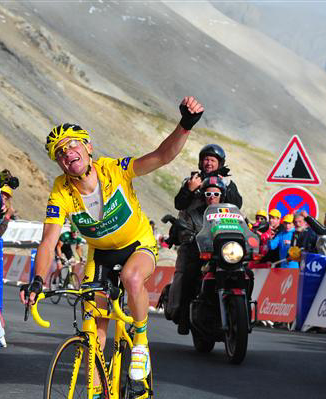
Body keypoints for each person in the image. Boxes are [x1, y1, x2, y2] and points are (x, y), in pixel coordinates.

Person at [20, 96, 204, 386]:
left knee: (132, 279)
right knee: (93, 332)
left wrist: (185, 125)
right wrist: (37, 280)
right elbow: (48, 240)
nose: (67, 153)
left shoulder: (115, 169)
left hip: (138, 244)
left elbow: (162, 156)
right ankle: (95, 389)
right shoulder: (61, 191)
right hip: (101, 255)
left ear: (88, 147)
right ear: (59, 163)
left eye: (72, 145)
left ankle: (141, 341)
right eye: (60, 153)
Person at [165, 176, 227, 333]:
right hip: (202, 256)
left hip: (225, 256)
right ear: (203, 196)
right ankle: (184, 318)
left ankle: (244, 307)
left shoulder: (230, 212)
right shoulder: (195, 213)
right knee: (189, 274)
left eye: (216, 194)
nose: (212, 197)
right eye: (208, 194)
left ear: (222, 195)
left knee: (246, 273)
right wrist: (186, 234)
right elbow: (185, 230)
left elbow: (243, 227)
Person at [174, 144, 242, 212]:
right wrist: (188, 190)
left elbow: (237, 206)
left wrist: (227, 188)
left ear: (220, 163)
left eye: (212, 160)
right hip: (190, 221)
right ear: (201, 162)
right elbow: (178, 205)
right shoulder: (193, 181)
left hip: (216, 221)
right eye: (206, 160)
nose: (209, 163)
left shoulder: (226, 183)